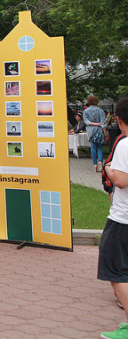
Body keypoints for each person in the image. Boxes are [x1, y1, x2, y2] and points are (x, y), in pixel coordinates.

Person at [99, 97, 128, 338]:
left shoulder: (125, 144)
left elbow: (120, 180)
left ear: (118, 120)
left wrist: (107, 168)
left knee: (115, 270)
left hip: (122, 219)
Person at [84, 96, 108, 172]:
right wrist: (105, 132)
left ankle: (95, 164)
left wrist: (94, 124)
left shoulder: (86, 111)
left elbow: (86, 121)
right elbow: (103, 123)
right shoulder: (100, 110)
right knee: (100, 147)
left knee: (93, 147)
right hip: (99, 130)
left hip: (91, 130)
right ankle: (100, 162)